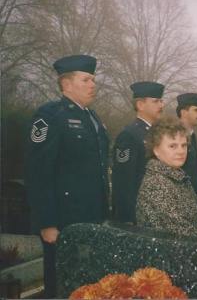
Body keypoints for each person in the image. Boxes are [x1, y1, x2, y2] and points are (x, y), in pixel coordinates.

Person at [24, 54, 109, 298]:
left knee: (89, 284)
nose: (93, 85)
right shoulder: (50, 116)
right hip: (64, 221)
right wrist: (47, 222)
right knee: (63, 285)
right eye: (86, 80)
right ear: (66, 83)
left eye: (93, 79)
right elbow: (38, 172)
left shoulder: (93, 118)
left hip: (93, 217)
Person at [135, 116, 197, 237]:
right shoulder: (157, 185)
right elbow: (182, 236)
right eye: (172, 146)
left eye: (184, 145)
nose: (181, 151)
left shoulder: (177, 177)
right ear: (156, 150)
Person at [111, 81, 165, 224]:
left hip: (158, 210)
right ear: (140, 105)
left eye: (161, 101)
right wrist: (127, 218)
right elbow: (123, 181)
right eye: (156, 101)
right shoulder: (129, 135)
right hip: (138, 215)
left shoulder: (159, 132)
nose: (161, 105)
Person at [176, 93, 197, 203]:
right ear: (183, 112)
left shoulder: (192, 136)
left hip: (193, 200)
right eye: (196, 110)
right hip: (180, 200)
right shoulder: (175, 137)